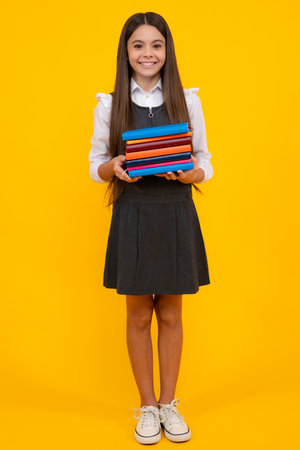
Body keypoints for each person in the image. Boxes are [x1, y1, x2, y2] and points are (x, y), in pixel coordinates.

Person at [88, 12, 213, 445]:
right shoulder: (109, 104)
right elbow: (95, 165)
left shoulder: (187, 99)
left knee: (173, 313)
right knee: (139, 314)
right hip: (134, 214)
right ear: (126, 52)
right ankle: (146, 408)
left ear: (167, 50)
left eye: (156, 45)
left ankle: (168, 404)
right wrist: (114, 167)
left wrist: (192, 175)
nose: (148, 53)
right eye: (138, 45)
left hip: (176, 211)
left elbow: (206, 161)